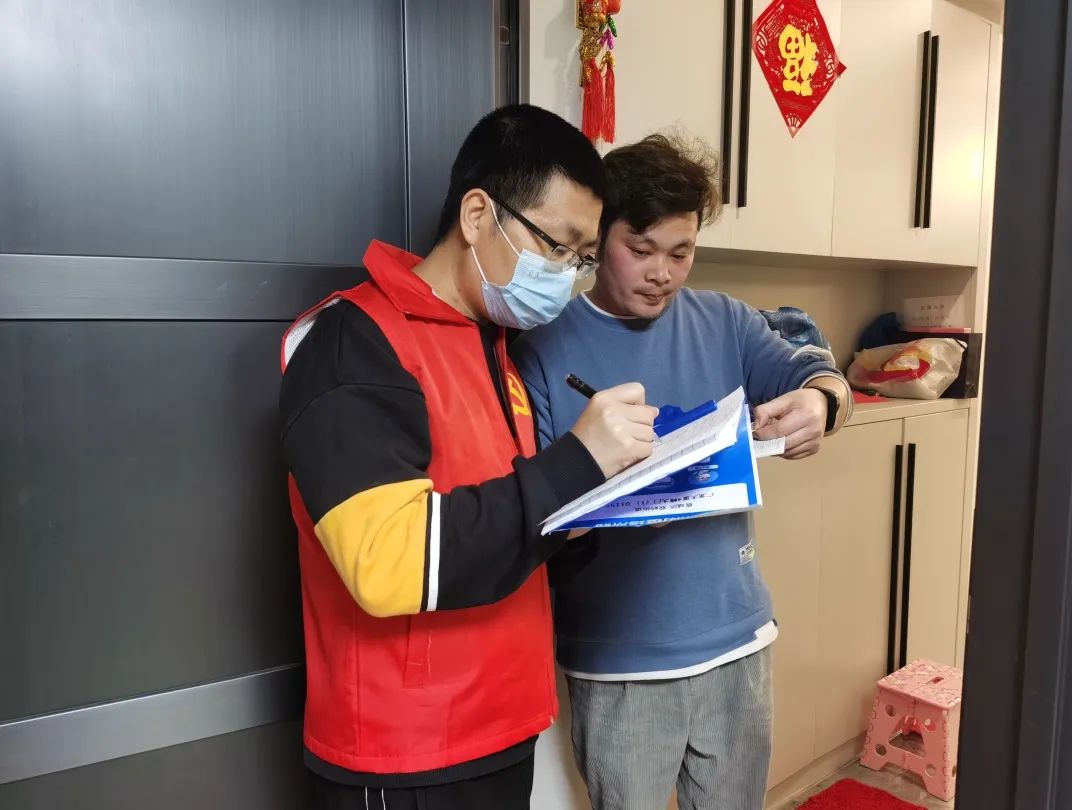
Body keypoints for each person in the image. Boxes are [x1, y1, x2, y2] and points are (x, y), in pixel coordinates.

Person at [278, 105, 659, 810]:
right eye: (558, 247)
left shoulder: (492, 348)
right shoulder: (354, 342)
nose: (568, 276)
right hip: (404, 755)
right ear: (478, 215)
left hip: (498, 728)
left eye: (580, 259)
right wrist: (575, 464)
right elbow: (389, 562)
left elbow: (499, 526)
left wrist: (591, 511)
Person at [511, 133, 853, 810]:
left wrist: (823, 402)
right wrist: (609, 493)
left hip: (738, 640)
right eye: (640, 250)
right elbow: (534, 513)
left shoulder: (725, 320)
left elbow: (815, 372)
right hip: (618, 659)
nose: (662, 273)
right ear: (598, 237)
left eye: (681, 252)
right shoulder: (543, 348)